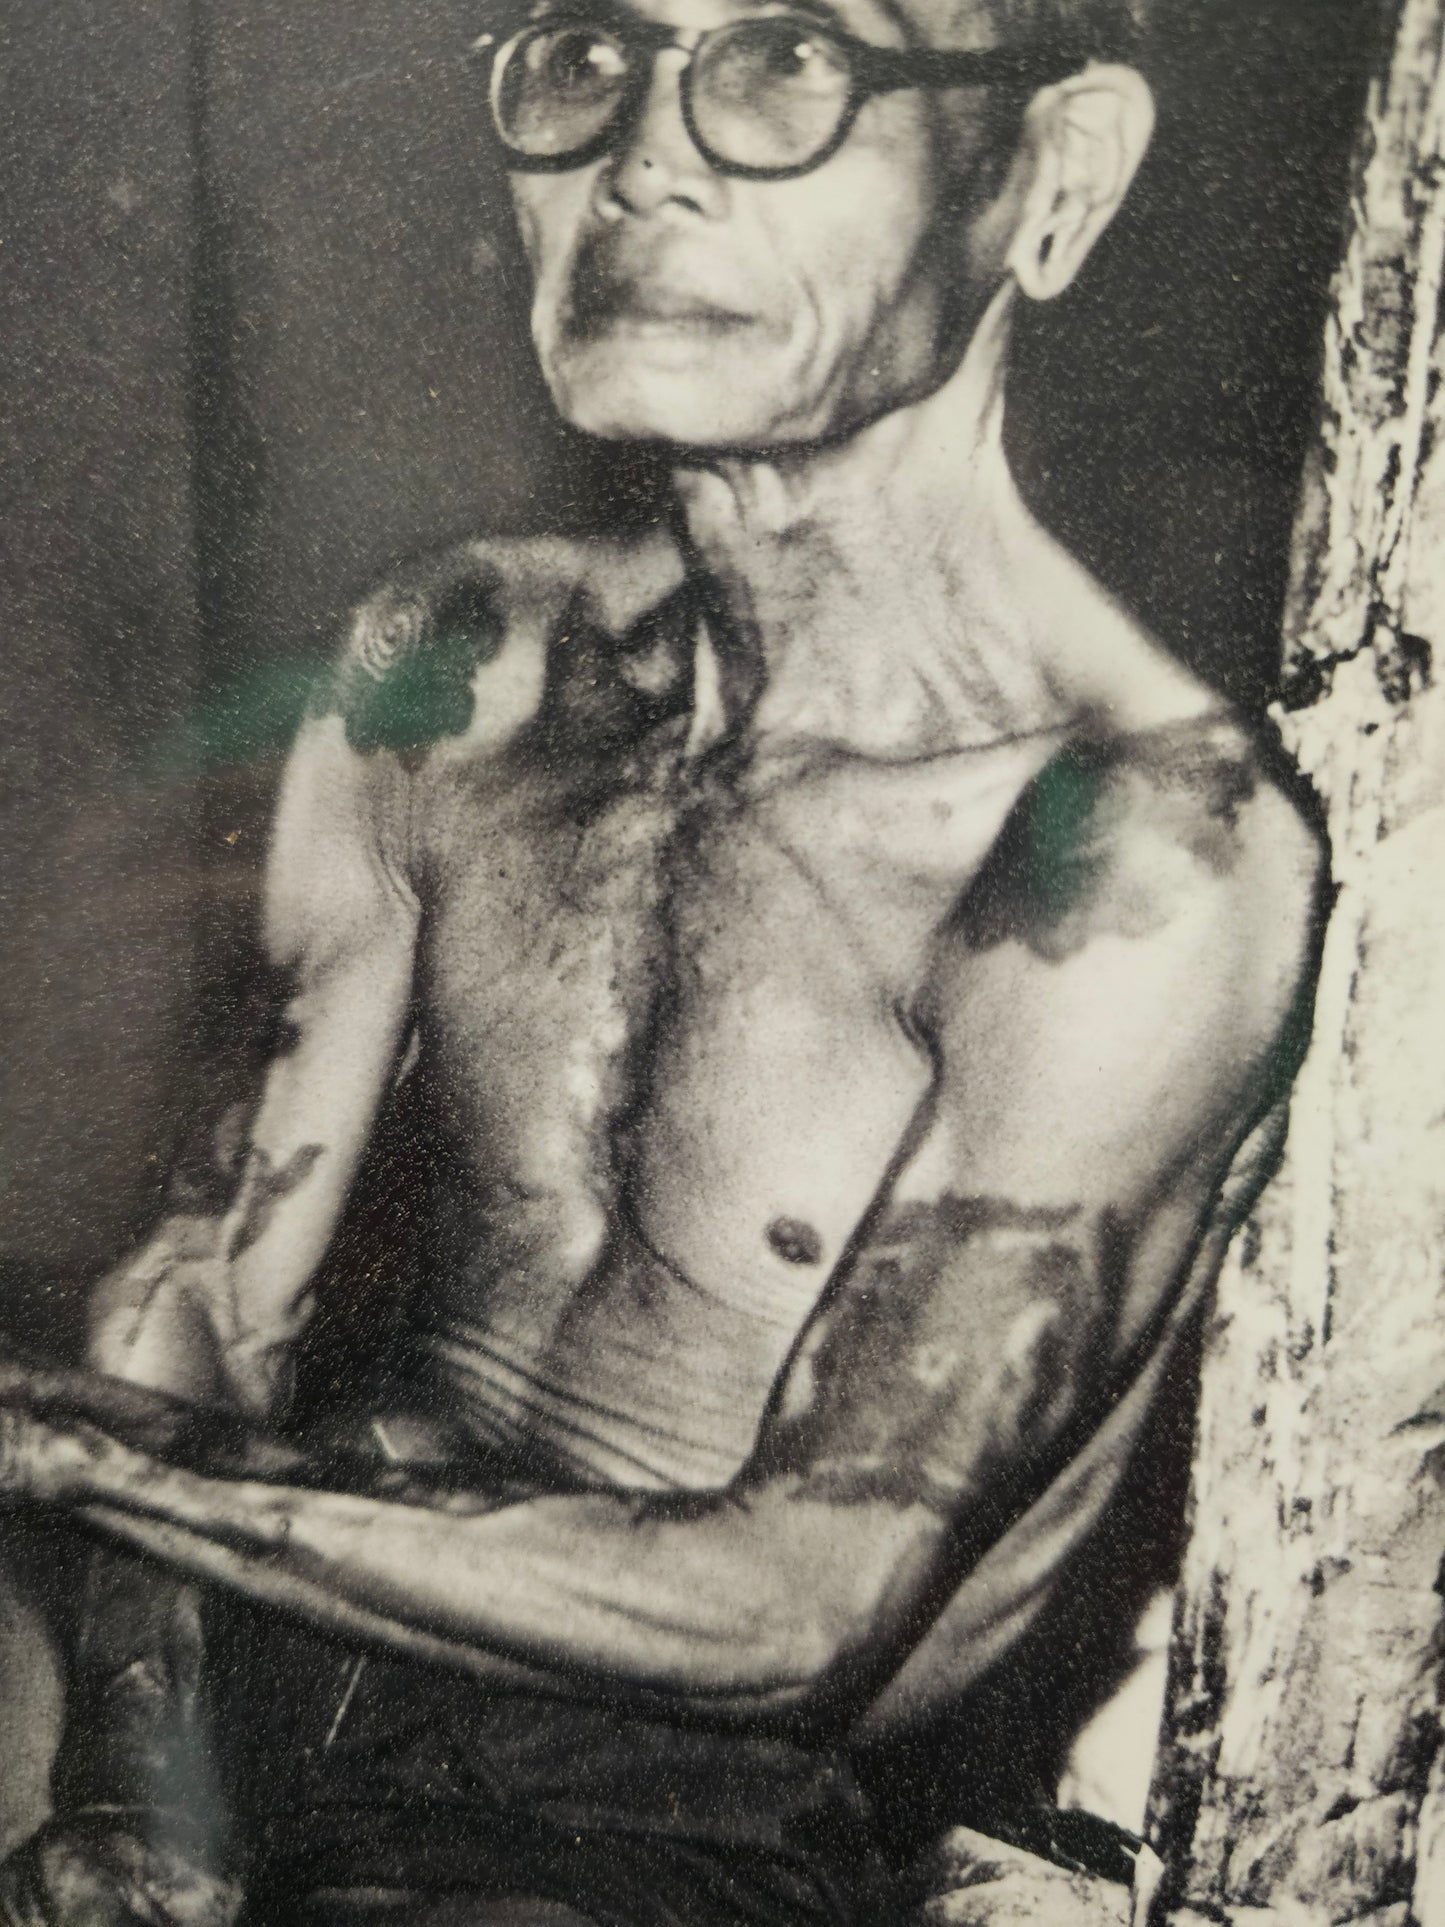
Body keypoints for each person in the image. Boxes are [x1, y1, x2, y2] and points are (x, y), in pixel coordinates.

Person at [0, 0, 1322, 1920]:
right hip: (247, 1656)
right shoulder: (462, 657)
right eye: (583, 57)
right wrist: (134, 1771)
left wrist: (76, 1451)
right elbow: (211, 1281)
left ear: (1052, 178)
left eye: (790, 59)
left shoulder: (1127, 851)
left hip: (642, 1808)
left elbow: (796, 1613)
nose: (644, 156)